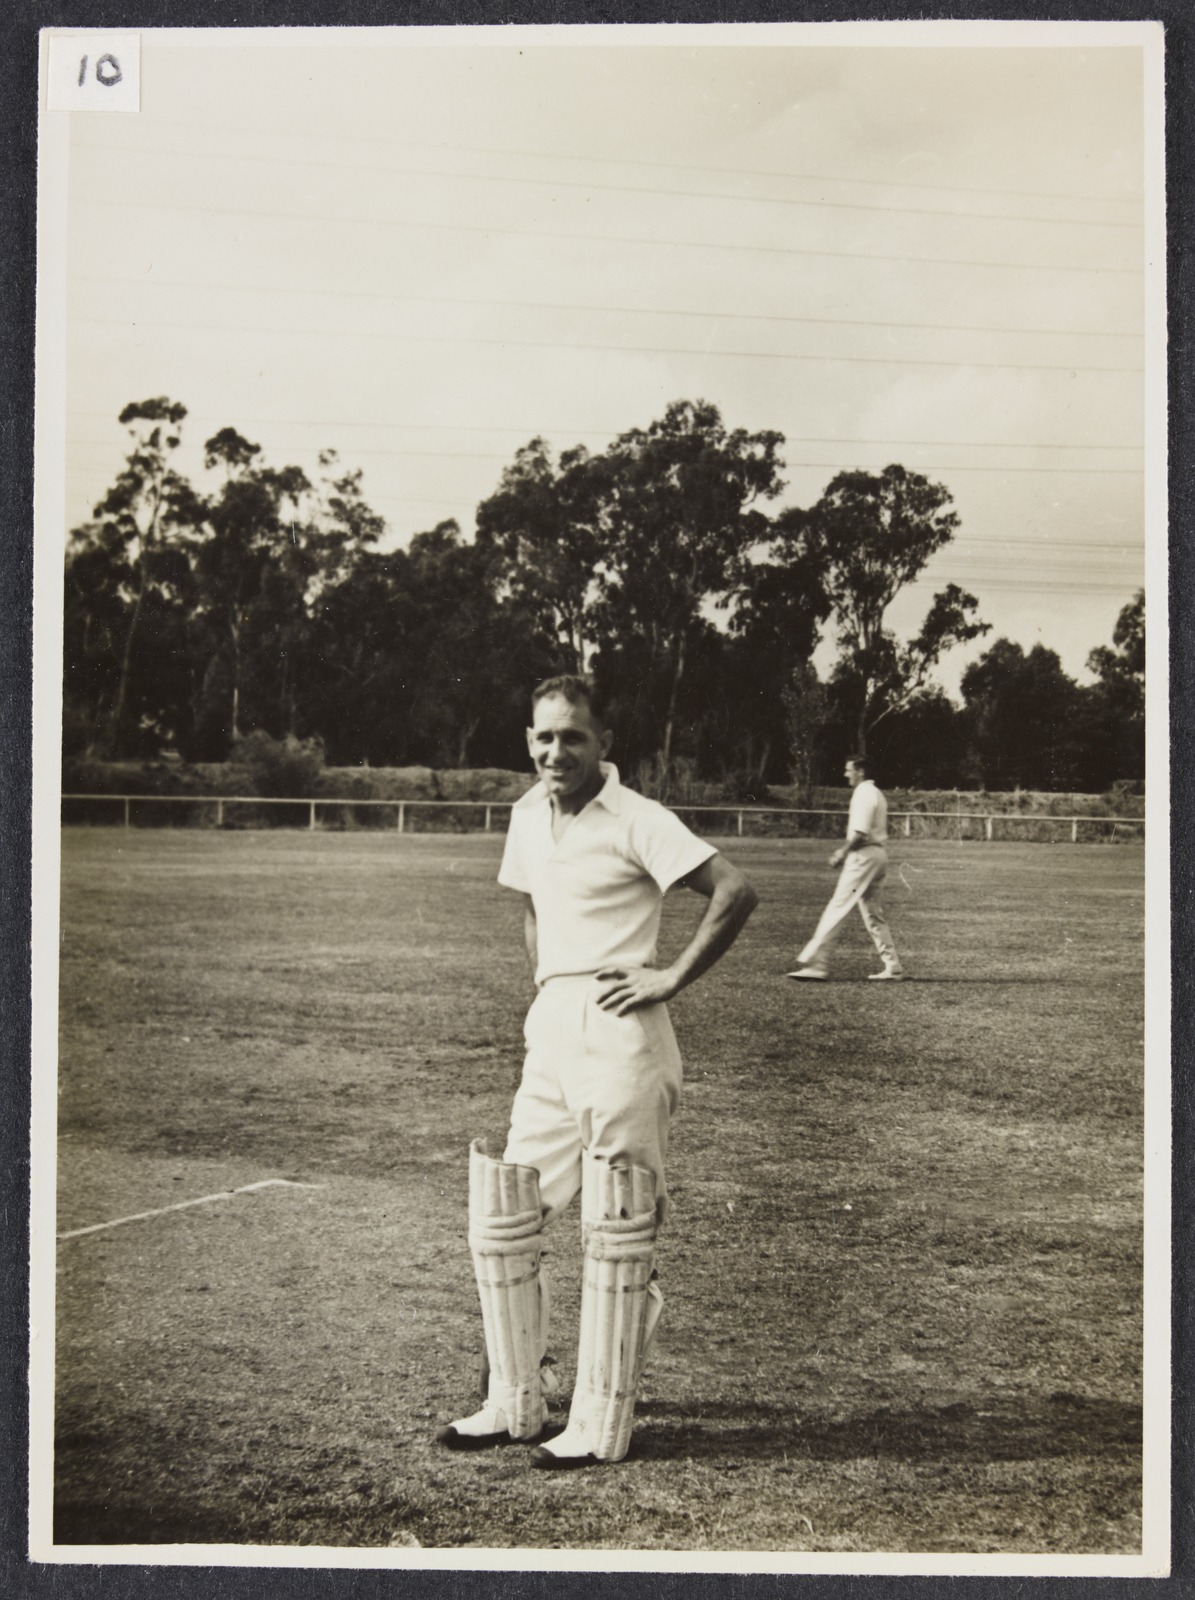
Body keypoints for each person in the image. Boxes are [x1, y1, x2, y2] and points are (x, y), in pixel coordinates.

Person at [436, 674, 758, 1470]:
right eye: (544, 737)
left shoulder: (637, 817)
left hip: (621, 1030)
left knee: (617, 1224)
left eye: (572, 737)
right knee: (506, 1209)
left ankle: (598, 1422)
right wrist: (548, 987)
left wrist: (668, 977)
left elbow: (733, 890)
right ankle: (513, 1402)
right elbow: (532, 905)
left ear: (603, 743)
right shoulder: (525, 814)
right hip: (552, 1021)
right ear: (528, 741)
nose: (556, 751)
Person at [788, 754, 904, 982]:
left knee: (838, 906)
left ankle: (816, 965)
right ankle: (893, 966)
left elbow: (860, 833)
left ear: (860, 771)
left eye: (849, 770)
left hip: (863, 857)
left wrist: (842, 852)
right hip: (877, 856)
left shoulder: (863, 793)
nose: (846, 774)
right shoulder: (876, 793)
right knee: (872, 913)